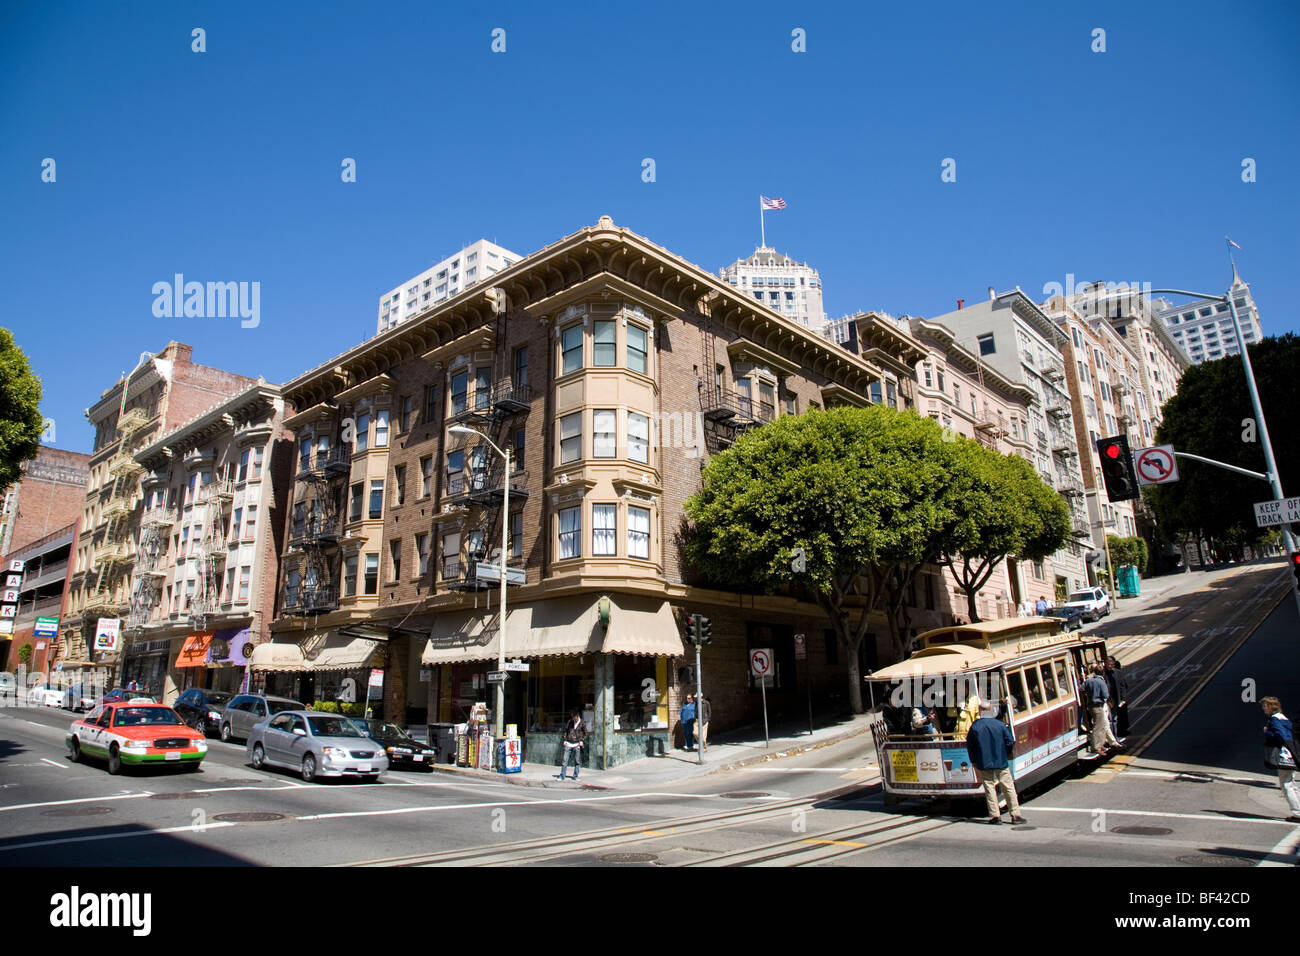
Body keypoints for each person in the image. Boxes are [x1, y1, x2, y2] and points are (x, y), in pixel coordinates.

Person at [966, 701, 1026, 824]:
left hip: (984, 761)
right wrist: (1007, 753)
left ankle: (995, 816)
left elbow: (970, 746)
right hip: (1001, 759)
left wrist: (974, 760)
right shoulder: (1000, 725)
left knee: (989, 788)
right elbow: (1010, 741)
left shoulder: (975, 726)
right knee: (1008, 787)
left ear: (980, 710)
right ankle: (1015, 815)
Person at [1261, 696, 1300, 821]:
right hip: (1291, 755)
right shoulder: (1284, 718)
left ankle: (1297, 813)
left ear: (1271, 707)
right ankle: (1298, 810)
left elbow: (1281, 736)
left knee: (1287, 785)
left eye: (1265, 706)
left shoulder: (1274, 720)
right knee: (1292, 784)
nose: (1264, 709)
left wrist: (1267, 732)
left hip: (1283, 756)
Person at [1081, 664, 1111, 755]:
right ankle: (1095, 747)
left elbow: (1082, 689)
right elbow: (1106, 695)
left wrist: (1089, 694)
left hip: (1090, 705)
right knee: (1098, 726)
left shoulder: (1088, 681)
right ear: (1103, 673)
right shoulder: (1101, 682)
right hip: (1098, 705)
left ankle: (1101, 744)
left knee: (1100, 725)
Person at [1106, 658, 1130, 739]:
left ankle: (1116, 735)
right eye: (1108, 664)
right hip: (1108, 700)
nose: (1109, 666)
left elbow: (1123, 686)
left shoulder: (1118, 673)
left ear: (1113, 664)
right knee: (1111, 719)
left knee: (1115, 718)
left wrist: (1123, 699)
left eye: (1111, 664)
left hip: (1117, 699)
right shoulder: (1104, 674)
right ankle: (1113, 736)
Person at [558, 712, 585, 780]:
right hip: (569, 743)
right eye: (572, 718)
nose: (573, 719)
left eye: (574, 718)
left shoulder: (582, 722)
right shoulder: (570, 722)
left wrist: (581, 740)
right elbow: (566, 731)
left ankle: (575, 776)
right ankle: (562, 776)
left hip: (577, 744)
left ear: (577, 716)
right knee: (565, 760)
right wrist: (564, 739)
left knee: (577, 761)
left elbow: (585, 733)